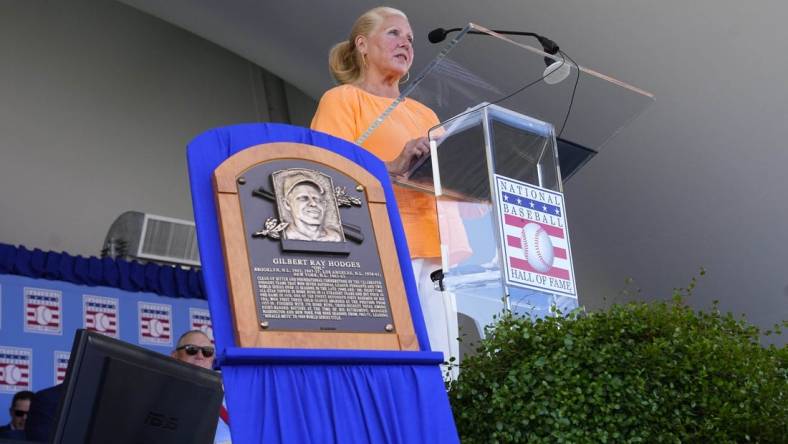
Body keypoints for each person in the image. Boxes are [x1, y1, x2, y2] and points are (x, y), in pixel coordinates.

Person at [311, 6, 463, 376]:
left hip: (435, 251)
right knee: (391, 365)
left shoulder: (424, 113)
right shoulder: (343, 100)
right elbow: (322, 175)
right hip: (377, 248)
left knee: (445, 370)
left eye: (410, 39)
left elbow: (452, 180)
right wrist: (391, 166)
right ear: (362, 44)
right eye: (394, 33)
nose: (406, 44)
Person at [171, 330, 231, 444]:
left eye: (207, 352)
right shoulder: (160, 394)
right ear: (175, 355)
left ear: (212, 359)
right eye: (191, 350)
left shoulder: (231, 397)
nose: (200, 356)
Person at [280, 173, 342, 242]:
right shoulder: (285, 235)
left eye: (316, 199)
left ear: (324, 205)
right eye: (303, 198)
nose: (313, 203)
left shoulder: (335, 237)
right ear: (287, 204)